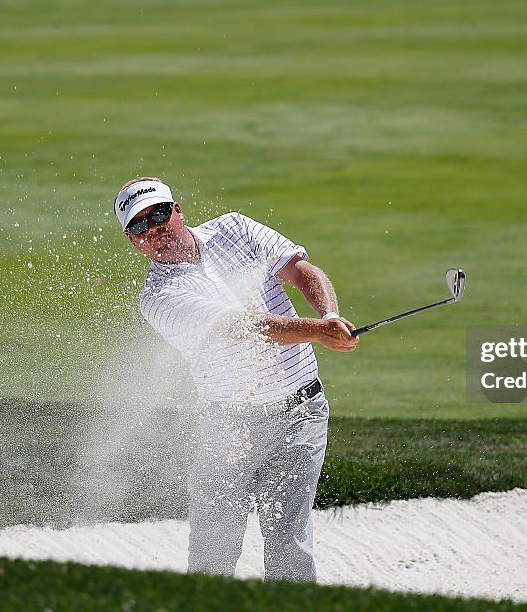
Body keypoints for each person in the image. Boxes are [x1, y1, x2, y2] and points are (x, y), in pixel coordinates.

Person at [114, 177, 358, 582]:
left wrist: (329, 316)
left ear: (177, 210)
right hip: (229, 427)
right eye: (139, 225)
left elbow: (301, 272)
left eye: (158, 214)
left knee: (288, 540)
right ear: (132, 240)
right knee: (215, 546)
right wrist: (317, 330)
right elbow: (245, 327)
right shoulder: (159, 298)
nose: (153, 229)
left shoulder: (235, 228)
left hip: (302, 414)